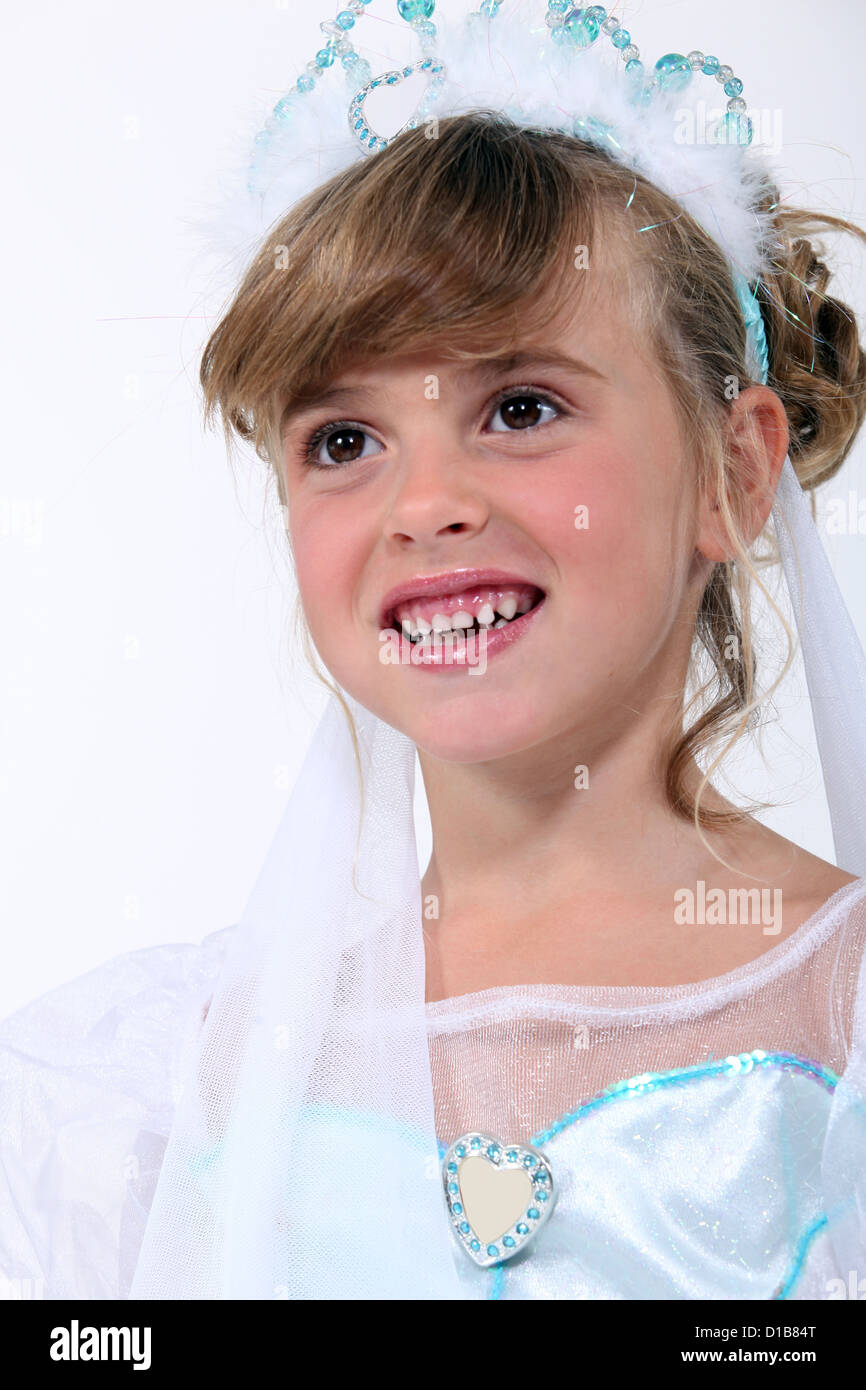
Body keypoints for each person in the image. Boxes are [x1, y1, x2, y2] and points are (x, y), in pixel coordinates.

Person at [3, 3, 866, 1300]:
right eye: (343, 440)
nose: (424, 503)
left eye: (518, 406)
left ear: (733, 472)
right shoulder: (163, 1091)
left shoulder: (835, 1016)